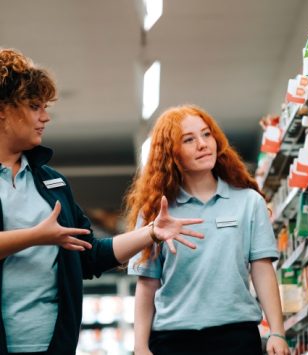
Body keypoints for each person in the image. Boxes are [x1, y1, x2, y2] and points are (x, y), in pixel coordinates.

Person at [0, 49, 204, 355]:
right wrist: (36, 237)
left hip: (52, 345)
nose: (45, 117)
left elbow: (89, 254)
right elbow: (50, 237)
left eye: (45, 107)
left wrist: (149, 232)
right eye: (33, 107)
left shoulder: (51, 183)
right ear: (3, 109)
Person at [126, 105, 290, 355]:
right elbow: (147, 283)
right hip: (173, 341)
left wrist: (277, 331)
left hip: (236, 337)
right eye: (189, 140)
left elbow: (262, 268)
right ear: (172, 154)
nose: (203, 144)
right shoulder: (156, 212)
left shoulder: (248, 202)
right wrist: (140, 345)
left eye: (206, 134)